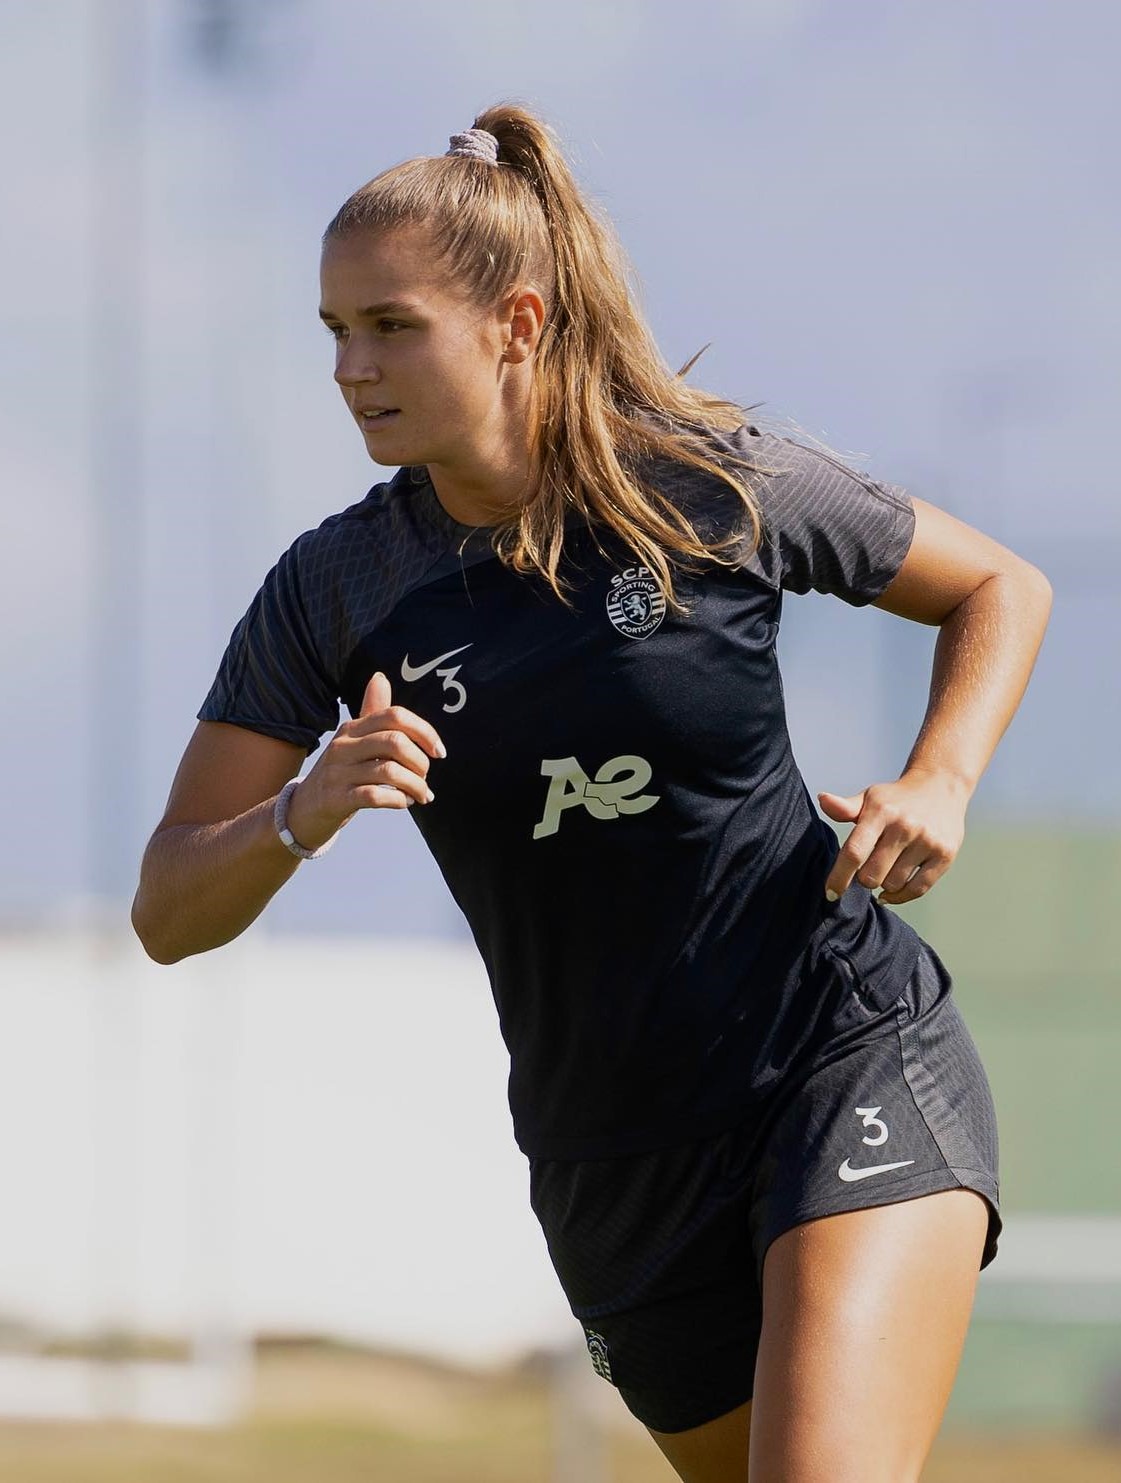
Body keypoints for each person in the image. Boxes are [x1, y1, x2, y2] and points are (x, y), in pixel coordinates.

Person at [131, 104, 1052, 1482]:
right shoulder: (335, 589)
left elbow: (997, 586)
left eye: (390, 327)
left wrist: (941, 776)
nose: (350, 368)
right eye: (334, 332)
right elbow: (167, 911)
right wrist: (300, 812)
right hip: (609, 1158)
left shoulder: (707, 484)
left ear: (515, 323)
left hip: (835, 1050)